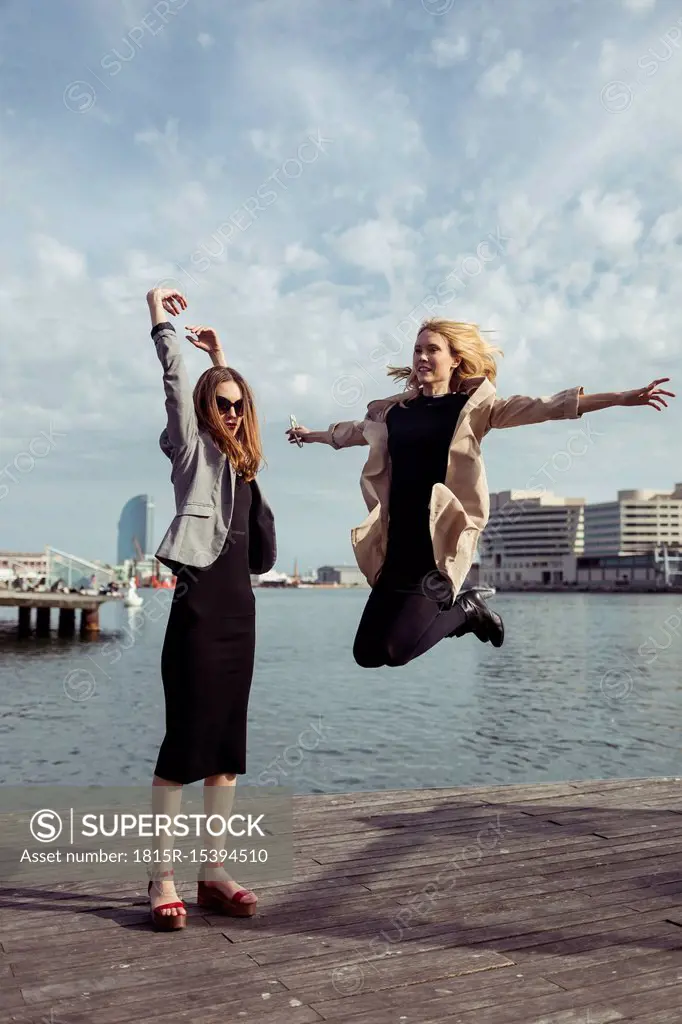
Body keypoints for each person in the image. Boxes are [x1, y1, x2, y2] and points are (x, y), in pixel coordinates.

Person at [286, 318, 675, 669]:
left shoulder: (473, 409)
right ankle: (461, 612)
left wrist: (622, 397)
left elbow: (548, 406)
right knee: (367, 654)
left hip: (437, 548)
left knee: (395, 651)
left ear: (455, 359)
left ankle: (468, 609)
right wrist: (312, 435)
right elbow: (352, 432)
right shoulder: (394, 412)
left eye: (432, 349)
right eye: (417, 349)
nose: (422, 356)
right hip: (396, 545)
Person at [146, 286, 276, 931]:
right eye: (219, 404)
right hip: (198, 613)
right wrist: (158, 317)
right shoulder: (190, 450)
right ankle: (161, 878)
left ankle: (214, 872)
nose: (229, 412)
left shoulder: (246, 464)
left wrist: (224, 357)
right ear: (203, 409)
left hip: (240, 618)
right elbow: (176, 382)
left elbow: (234, 395)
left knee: (226, 749)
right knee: (184, 747)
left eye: (237, 405)